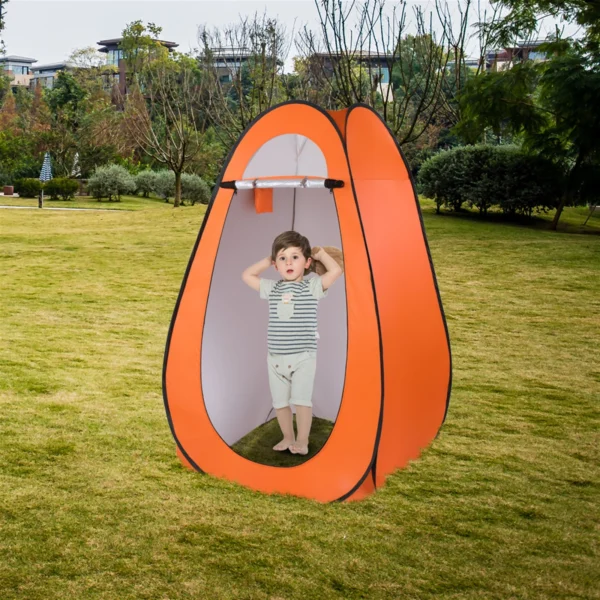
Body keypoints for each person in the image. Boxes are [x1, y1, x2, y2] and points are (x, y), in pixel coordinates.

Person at [241, 231, 343, 456]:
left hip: (303, 357)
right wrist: (267, 260)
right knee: (280, 403)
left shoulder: (312, 287)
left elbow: (336, 270)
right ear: (276, 265)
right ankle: (287, 437)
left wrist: (321, 254)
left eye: (295, 257)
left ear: (307, 263)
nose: (288, 262)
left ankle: (302, 440)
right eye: (282, 257)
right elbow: (247, 275)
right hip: (275, 358)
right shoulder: (273, 288)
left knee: (302, 401)